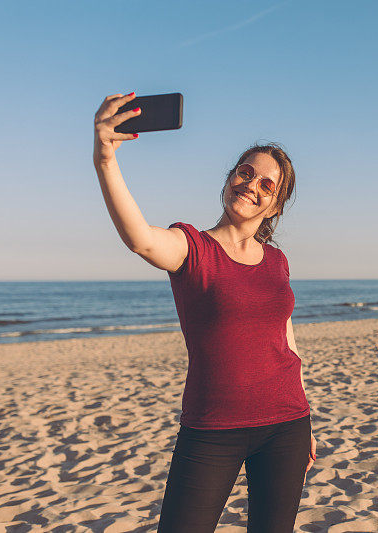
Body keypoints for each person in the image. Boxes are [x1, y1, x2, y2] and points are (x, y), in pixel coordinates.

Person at [93, 92, 317, 533]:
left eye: (266, 184)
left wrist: (305, 416)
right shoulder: (192, 247)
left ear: (275, 204)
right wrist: (105, 158)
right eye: (244, 172)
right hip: (212, 427)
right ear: (230, 177)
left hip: (287, 424)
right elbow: (140, 238)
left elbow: (285, 340)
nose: (251, 185)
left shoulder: (277, 262)